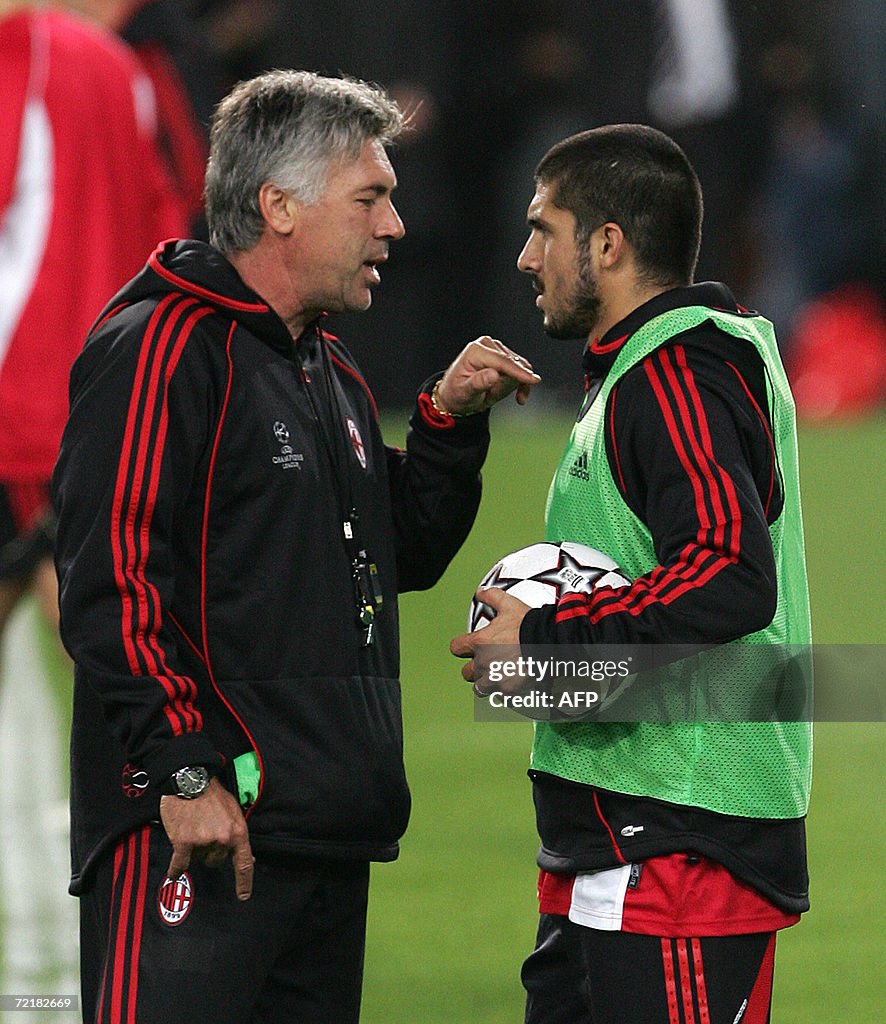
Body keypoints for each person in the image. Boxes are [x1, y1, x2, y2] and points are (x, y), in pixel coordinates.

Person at [52, 69, 539, 1024]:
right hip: (191, 832)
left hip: (316, 840)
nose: (394, 226)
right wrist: (184, 770)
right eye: (372, 197)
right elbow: (113, 578)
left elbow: (393, 557)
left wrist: (443, 427)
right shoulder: (162, 346)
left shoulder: (325, 367)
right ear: (279, 206)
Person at [451, 124, 812, 1023]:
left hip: (680, 847)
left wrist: (541, 638)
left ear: (607, 243)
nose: (527, 255)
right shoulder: (651, 370)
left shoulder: (676, 373)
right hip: (624, 838)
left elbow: (729, 573)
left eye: (544, 229)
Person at [0, 0, 188, 661]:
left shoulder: (18, 55)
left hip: (21, 397)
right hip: (108, 388)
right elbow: (166, 219)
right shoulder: (118, 62)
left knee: (104, 647)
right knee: (114, 626)